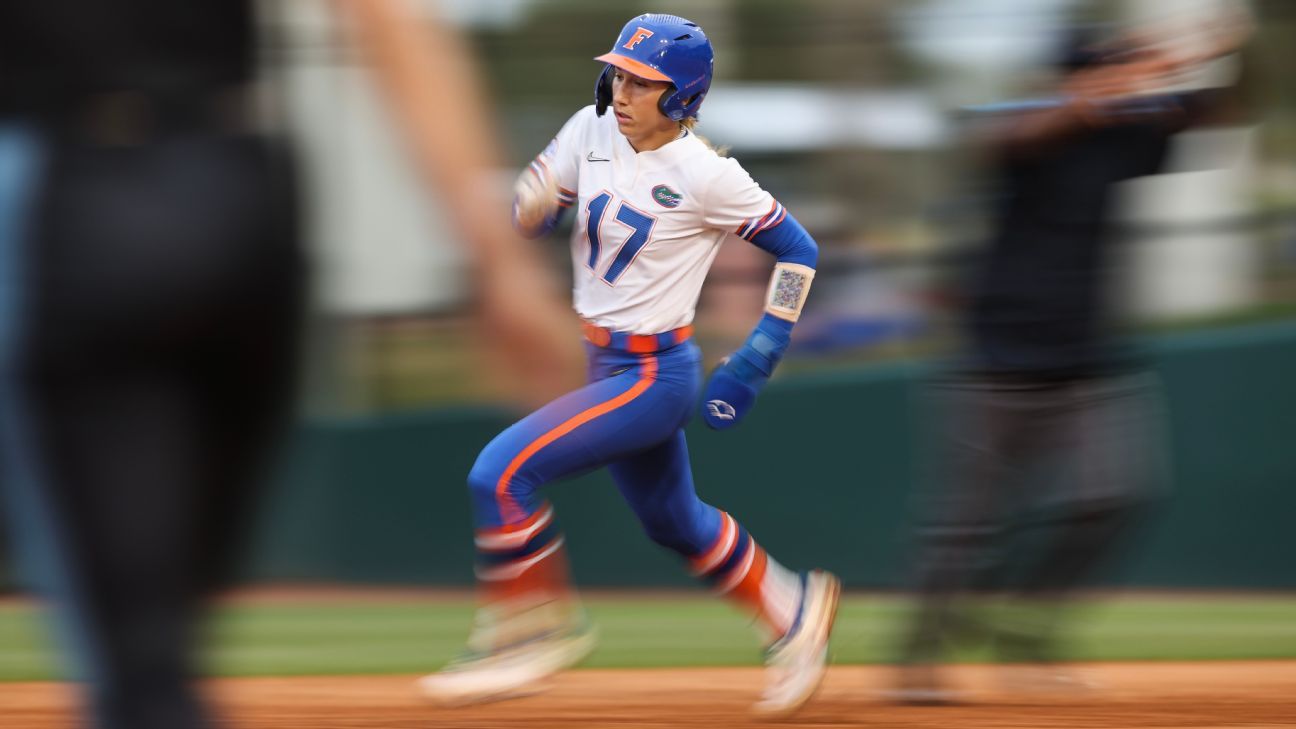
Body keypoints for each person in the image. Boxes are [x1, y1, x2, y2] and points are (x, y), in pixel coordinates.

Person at [0, 2, 580, 728]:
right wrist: (500, 265)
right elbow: (387, 15)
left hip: (69, 196)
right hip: (246, 194)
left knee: (141, 672)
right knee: (165, 644)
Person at [418, 13, 840, 717]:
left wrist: (762, 349)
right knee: (676, 522)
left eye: (643, 82)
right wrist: (531, 202)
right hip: (602, 362)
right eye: (619, 73)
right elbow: (535, 198)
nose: (622, 90)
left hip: (654, 377)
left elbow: (801, 250)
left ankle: (528, 632)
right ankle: (793, 609)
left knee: (500, 472)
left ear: (681, 97)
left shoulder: (709, 174)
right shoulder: (591, 129)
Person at [891, 19, 1250, 703]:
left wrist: (1211, 53)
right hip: (994, 359)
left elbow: (1210, 111)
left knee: (1115, 494)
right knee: (963, 526)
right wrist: (1141, 70)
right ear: (1070, 74)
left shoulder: (1125, 139)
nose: (1117, 81)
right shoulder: (1023, 123)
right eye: (1100, 69)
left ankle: (1022, 625)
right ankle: (920, 661)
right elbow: (1015, 136)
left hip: (1088, 360)